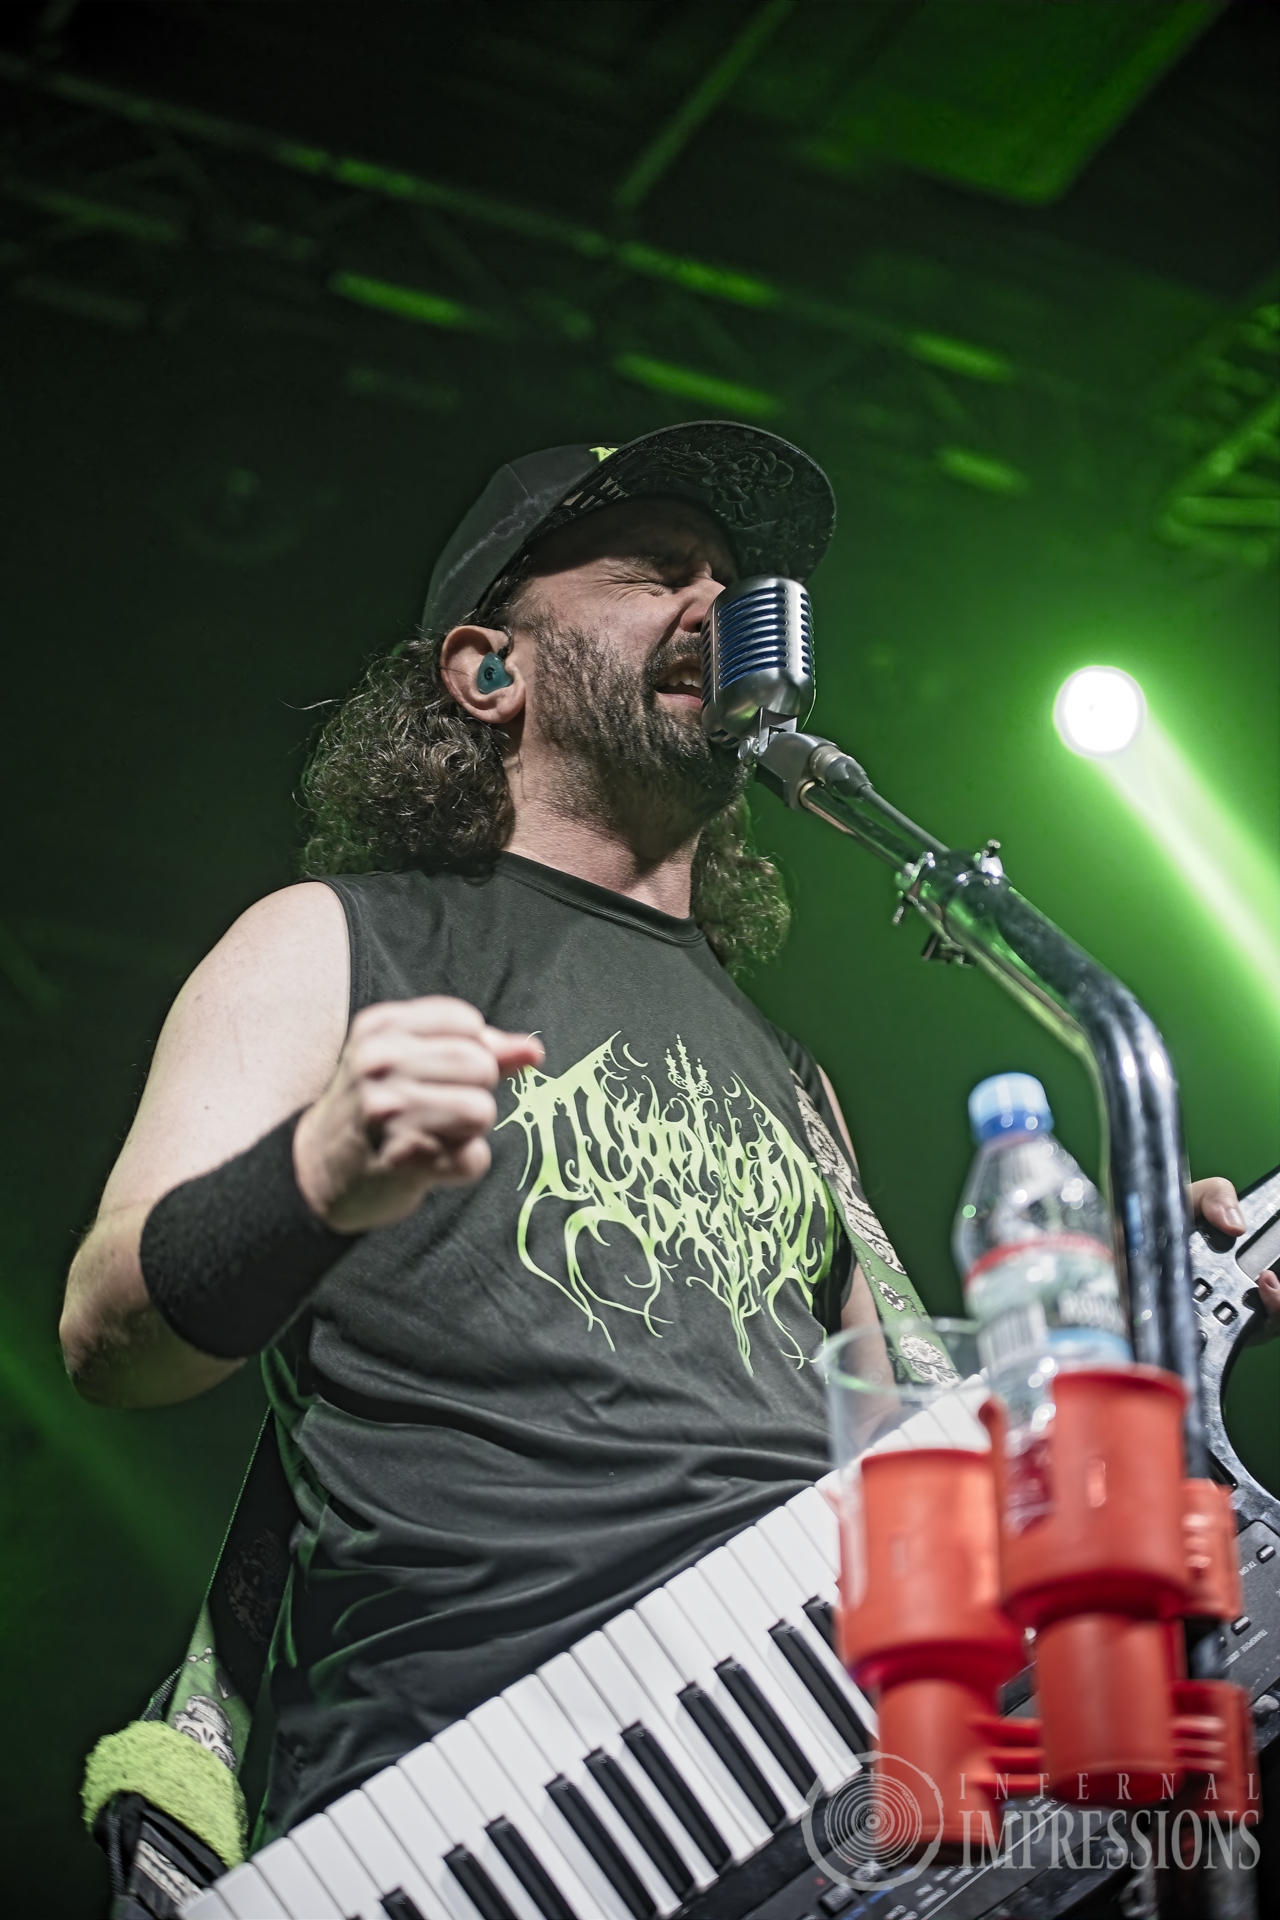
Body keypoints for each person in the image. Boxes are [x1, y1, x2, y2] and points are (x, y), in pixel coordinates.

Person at [60, 424, 1278, 1845]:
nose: (717, 603)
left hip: (814, 1730)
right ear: (489, 671)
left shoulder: (792, 1076)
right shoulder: (331, 943)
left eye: (730, 580)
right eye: (652, 571)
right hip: (482, 1790)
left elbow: (919, 1445)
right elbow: (109, 1334)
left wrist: (1106, 1326)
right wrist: (319, 1171)